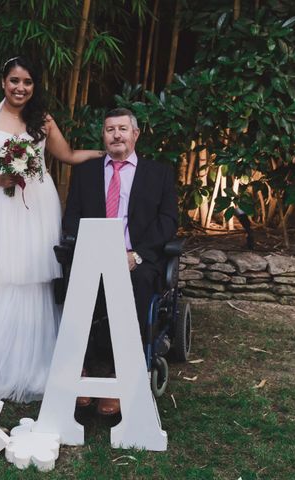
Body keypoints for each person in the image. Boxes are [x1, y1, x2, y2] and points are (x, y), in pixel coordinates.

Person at [0, 55, 102, 403]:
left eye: (27, 82)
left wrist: (109, 153)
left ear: (34, 86)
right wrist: (1, 178)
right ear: (3, 82)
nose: (20, 88)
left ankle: (27, 359)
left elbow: (68, 155)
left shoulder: (42, 120)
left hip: (34, 208)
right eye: (14, 81)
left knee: (29, 275)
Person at [62, 107, 178, 415]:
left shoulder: (159, 173)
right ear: (103, 135)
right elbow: (72, 217)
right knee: (74, 284)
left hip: (136, 258)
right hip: (93, 254)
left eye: (122, 129)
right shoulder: (86, 172)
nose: (116, 135)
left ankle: (120, 373)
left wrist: (137, 254)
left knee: (138, 284)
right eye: (110, 129)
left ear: (135, 134)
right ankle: (80, 369)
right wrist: (90, 250)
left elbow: (167, 222)